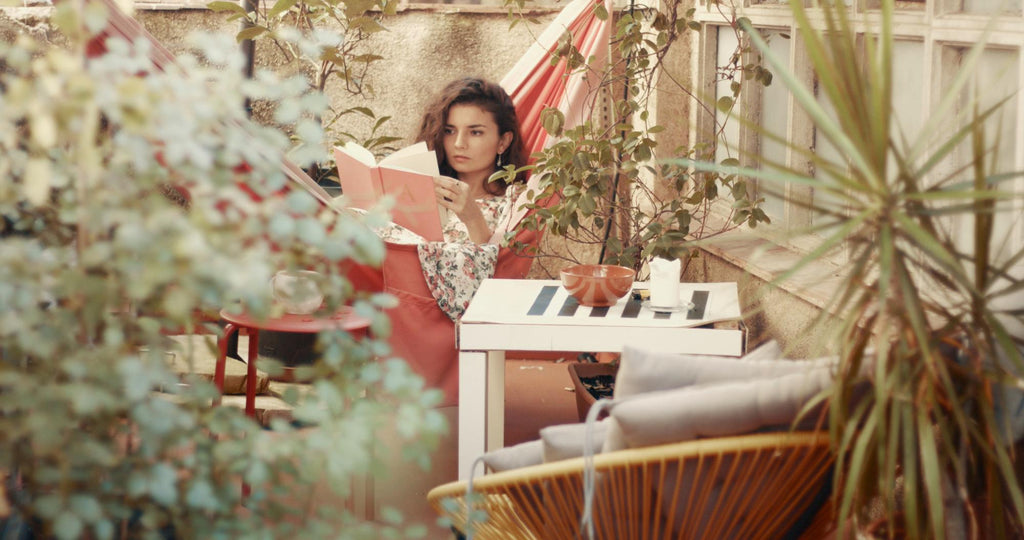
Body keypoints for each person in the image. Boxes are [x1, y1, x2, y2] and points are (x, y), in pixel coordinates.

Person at [415, 77, 528, 244]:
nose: (459, 144)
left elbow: (501, 266)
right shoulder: (422, 191)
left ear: (503, 142)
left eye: (475, 132)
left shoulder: (515, 204)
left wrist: (473, 218)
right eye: (449, 131)